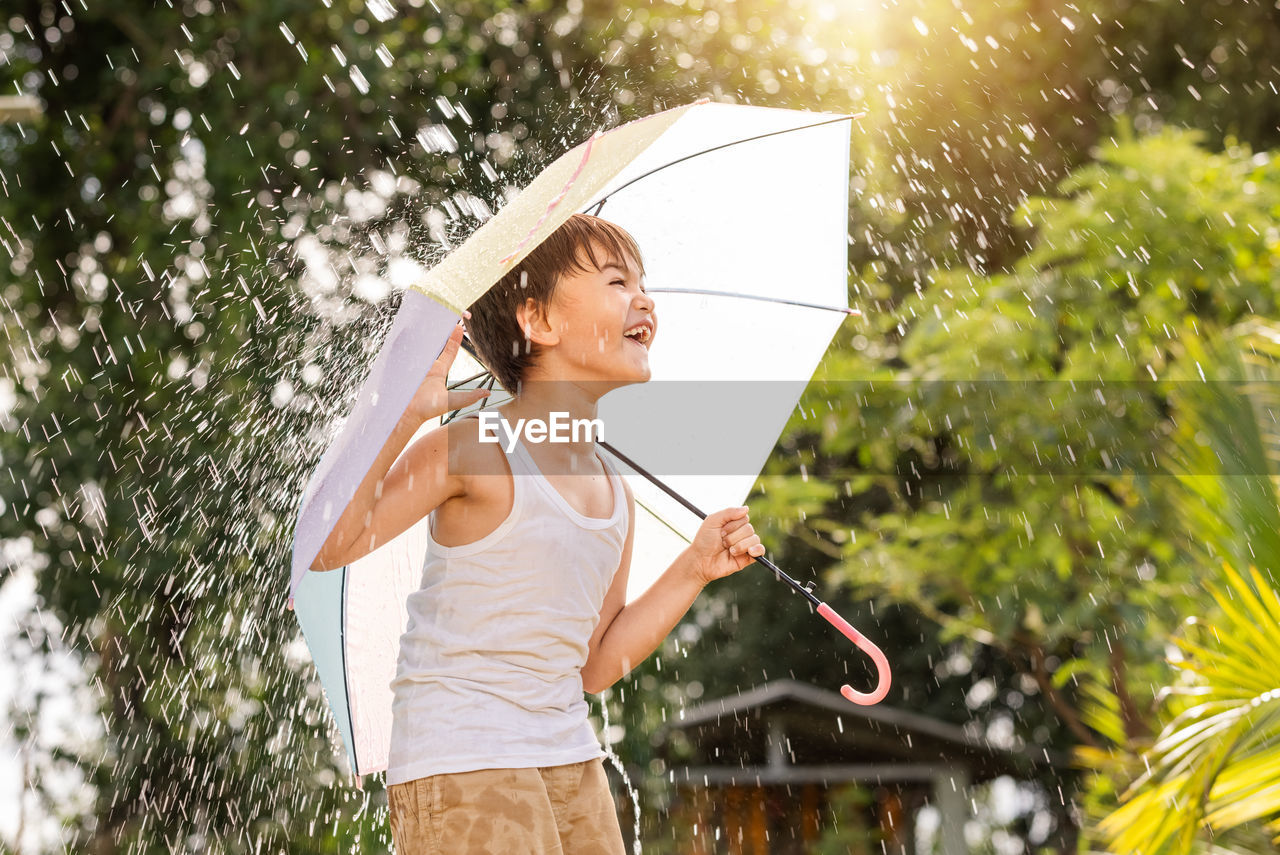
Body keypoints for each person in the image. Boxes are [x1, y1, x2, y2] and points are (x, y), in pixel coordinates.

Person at [310, 213, 765, 854]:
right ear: (540, 321)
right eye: (615, 281)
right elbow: (333, 545)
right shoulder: (472, 449)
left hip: (570, 758)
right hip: (462, 755)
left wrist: (693, 567)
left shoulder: (614, 491)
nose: (644, 299)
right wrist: (406, 411)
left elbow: (596, 664)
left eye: (642, 282)